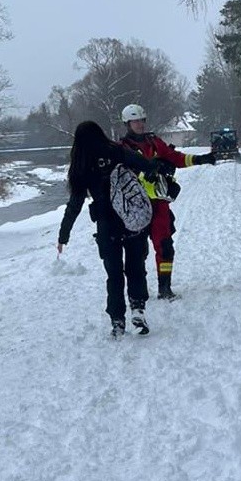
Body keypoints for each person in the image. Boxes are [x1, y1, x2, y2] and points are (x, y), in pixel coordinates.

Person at [57, 120, 167, 338]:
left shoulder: (81, 165)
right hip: (132, 221)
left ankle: (117, 320)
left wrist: (64, 235)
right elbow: (144, 163)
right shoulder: (116, 151)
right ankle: (138, 308)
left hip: (107, 227)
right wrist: (158, 167)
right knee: (136, 268)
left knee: (114, 275)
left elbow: (74, 205)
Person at [120, 103, 216, 300]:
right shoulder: (123, 148)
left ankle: (165, 288)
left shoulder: (153, 142)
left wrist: (200, 160)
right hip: (136, 207)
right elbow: (122, 174)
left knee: (165, 246)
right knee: (137, 253)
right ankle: (138, 293)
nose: (139, 124)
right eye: (135, 121)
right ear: (127, 123)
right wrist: (147, 172)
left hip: (159, 205)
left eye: (141, 120)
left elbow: (174, 157)